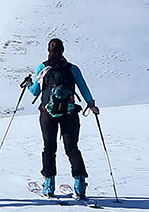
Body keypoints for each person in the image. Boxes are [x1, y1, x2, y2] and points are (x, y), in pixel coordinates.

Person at [21, 38, 98, 198]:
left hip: (47, 113)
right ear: (63, 50)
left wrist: (28, 83)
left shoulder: (43, 68)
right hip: (70, 114)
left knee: (49, 148)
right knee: (72, 149)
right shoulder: (72, 69)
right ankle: (80, 185)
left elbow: (35, 91)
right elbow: (83, 87)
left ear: (49, 50)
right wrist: (91, 104)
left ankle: (49, 186)